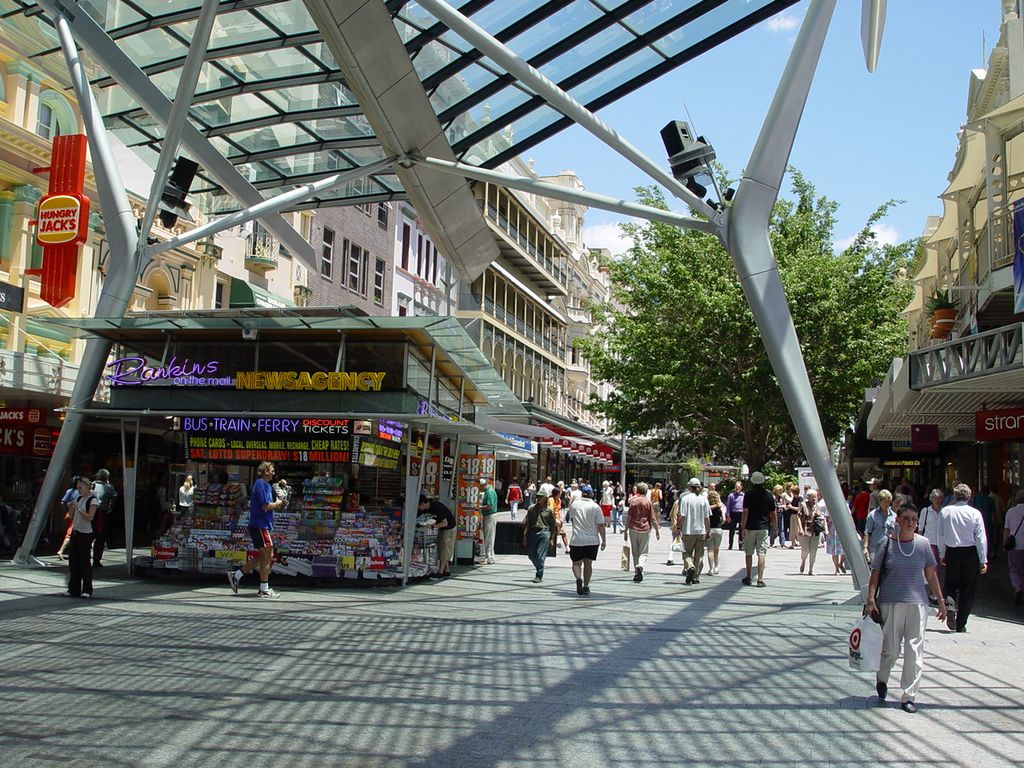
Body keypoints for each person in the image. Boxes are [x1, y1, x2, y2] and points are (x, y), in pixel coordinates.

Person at [864, 504, 946, 714]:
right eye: (906, 518)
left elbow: (930, 574)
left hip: (917, 603)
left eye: (914, 519)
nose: (911, 522)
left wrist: (941, 600)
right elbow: (875, 573)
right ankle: (882, 677)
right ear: (898, 521)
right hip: (891, 602)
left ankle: (909, 695)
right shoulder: (887, 543)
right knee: (891, 649)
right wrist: (871, 599)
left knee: (914, 649)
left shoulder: (923, 544)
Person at [228, 461, 286, 598]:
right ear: (265, 471)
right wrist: (278, 503)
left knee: (264, 555)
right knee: (268, 555)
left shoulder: (266, 485)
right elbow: (265, 506)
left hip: (261, 524)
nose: (273, 472)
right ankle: (264, 588)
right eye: (271, 470)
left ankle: (236, 575)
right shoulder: (260, 484)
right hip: (260, 524)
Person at [938, 483, 988, 633]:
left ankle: (951, 604)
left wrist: (942, 553)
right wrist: (982, 559)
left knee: (950, 583)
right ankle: (961, 623)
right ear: (969, 496)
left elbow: (940, 535)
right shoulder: (975, 513)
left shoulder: (945, 511)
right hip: (970, 553)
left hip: (952, 551)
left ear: (955, 495)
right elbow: (980, 538)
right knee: (969, 588)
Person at [567, 487, 607, 595]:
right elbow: (601, 525)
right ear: (592, 495)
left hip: (576, 540)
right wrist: (604, 540)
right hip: (592, 540)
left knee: (576, 563)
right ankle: (586, 586)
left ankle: (578, 578)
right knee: (588, 564)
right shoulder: (595, 507)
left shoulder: (574, 505)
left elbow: (571, 518)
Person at [65, 476, 99, 598]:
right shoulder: (78, 497)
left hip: (86, 533)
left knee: (84, 561)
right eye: (77, 488)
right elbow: (70, 515)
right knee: (73, 561)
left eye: (81, 487)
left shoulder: (93, 500)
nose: (79, 490)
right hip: (76, 531)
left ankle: (87, 590)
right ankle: (73, 588)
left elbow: (90, 517)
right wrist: (71, 506)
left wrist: (78, 508)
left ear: (87, 486)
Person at [740, 471, 775, 587]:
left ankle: (749, 576)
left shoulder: (748, 494)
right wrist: (775, 526)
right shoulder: (768, 495)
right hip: (764, 527)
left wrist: (742, 526)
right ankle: (760, 579)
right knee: (762, 553)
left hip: (750, 527)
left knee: (748, 553)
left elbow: (745, 511)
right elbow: (772, 513)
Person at [521, 490, 562, 583]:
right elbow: (528, 523)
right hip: (533, 532)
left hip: (544, 532)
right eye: (537, 497)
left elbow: (552, 525)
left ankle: (539, 574)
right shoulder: (531, 509)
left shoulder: (549, 510)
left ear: (545, 499)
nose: (538, 499)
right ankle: (539, 567)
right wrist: (525, 536)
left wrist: (552, 539)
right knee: (531, 555)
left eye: (540, 497)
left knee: (540, 555)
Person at [675, 477, 711, 584]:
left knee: (686, 552)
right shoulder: (704, 499)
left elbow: (682, 516)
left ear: (690, 487)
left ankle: (690, 566)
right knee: (699, 555)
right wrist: (708, 530)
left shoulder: (686, 499)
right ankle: (696, 577)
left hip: (688, 531)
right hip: (701, 531)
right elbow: (707, 517)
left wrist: (678, 527)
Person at [625, 481, 659, 582]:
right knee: (643, 552)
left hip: (633, 528)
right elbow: (652, 518)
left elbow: (628, 517)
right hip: (645, 529)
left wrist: (626, 530)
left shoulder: (633, 501)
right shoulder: (648, 502)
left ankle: (636, 572)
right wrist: (657, 530)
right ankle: (641, 565)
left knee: (635, 552)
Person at [419, 495, 456, 579]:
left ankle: (440, 572)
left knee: (444, 549)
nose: (418, 508)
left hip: (449, 528)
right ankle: (446, 570)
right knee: (440, 547)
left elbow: (445, 523)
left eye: (418, 506)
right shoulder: (428, 508)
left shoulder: (436, 507)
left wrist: (433, 526)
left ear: (423, 503)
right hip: (443, 528)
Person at [918, 489, 945, 603]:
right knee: (933, 568)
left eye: (939, 498)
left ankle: (937, 590)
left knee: (940, 568)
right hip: (929, 542)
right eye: (935, 498)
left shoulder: (944, 511)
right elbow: (920, 527)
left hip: (942, 543)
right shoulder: (926, 511)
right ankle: (934, 593)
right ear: (931, 499)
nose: (937, 500)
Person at [91, 469, 116, 567]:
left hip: (89, 513)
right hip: (102, 514)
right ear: (107, 478)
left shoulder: (91, 485)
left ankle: (82, 557)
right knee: (100, 538)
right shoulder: (109, 487)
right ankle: (96, 560)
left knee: (87, 535)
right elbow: (113, 498)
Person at [863, 490, 897, 565]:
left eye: (888, 502)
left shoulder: (894, 516)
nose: (887, 504)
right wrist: (865, 547)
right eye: (884, 502)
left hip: (890, 549)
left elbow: (896, 533)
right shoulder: (872, 515)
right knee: (876, 573)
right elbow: (867, 532)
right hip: (875, 549)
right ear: (880, 501)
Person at [1003, 490, 1024, 606]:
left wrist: (1004, 544)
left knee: (1014, 569)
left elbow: (1007, 529)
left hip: (1015, 546)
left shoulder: (1011, 512)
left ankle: (1018, 588)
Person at [56, 477, 81, 560]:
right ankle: (61, 550)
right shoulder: (81, 492)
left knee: (72, 534)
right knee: (70, 535)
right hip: (78, 516)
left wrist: (69, 505)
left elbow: (62, 502)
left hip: (70, 515)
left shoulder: (69, 491)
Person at [798, 489, 822, 575]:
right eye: (813, 497)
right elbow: (798, 517)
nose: (814, 499)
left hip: (815, 530)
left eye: (815, 497)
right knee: (805, 550)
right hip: (806, 530)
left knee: (813, 551)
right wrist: (800, 529)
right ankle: (803, 561)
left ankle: (811, 569)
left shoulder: (817, 506)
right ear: (808, 497)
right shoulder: (803, 505)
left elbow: (820, 516)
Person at [479, 479, 499, 564]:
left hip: (490, 516)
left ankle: (490, 557)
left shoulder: (490, 492)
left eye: (480, 486)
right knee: (488, 537)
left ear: (483, 485)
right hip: (488, 516)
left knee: (489, 537)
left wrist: (479, 507)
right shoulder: (489, 491)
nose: (479, 489)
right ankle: (488, 556)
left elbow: (490, 506)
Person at [706, 489, 725, 575]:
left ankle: (710, 569)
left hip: (710, 529)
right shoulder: (720, 507)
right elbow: (724, 519)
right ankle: (716, 567)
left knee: (710, 550)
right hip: (718, 529)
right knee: (717, 549)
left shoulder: (707, 507)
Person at [725, 481, 744, 550]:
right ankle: (730, 544)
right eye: (736, 487)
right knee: (732, 530)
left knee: (741, 530)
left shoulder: (743, 496)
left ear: (741, 487)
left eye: (738, 487)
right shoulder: (731, 496)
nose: (737, 488)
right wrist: (728, 515)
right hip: (733, 513)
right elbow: (728, 506)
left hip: (741, 513)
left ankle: (741, 545)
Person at [785, 482, 803, 550]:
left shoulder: (799, 498)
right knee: (792, 530)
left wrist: (791, 507)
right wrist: (788, 507)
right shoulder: (794, 498)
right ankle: (792, 543)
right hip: (792, 515)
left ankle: (801, 543)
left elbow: (799, 508)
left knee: (797, 530)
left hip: (797, 516)